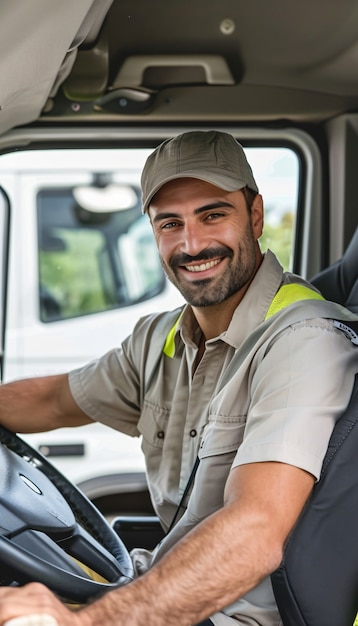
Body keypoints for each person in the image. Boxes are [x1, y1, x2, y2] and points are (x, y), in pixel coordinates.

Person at [0, 130, 357, 626]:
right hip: (169, 592)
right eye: (171, 223)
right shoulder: (162, 337)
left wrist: (87, 623)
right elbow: (57, 400)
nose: (192, 244)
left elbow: (255, 528)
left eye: (213, 214)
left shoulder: (303, 340)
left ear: (254, 215)